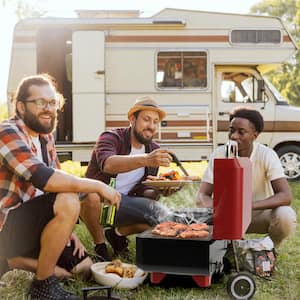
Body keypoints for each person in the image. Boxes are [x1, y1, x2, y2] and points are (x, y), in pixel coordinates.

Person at [0, 74, 120, 300]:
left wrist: (67, 230)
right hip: (7, 226)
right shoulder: (7, 132)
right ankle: (42, 287)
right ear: (21, 107)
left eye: (53, 102)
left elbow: (58, 178)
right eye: (40, 102)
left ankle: (10, 261)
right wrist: (98, 186)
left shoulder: (46, 137)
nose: (48, 108)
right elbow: (45, 178)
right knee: (67, 198)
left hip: (33, 223)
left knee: (83, 269)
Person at [81, 96, 174, 260]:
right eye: (146, 119)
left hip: (122, 203)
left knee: (158, 218)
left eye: (155, 122)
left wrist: (160, 190)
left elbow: (144, 191)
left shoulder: (153, 149)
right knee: (91, 194)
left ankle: (116, 234)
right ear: (132, 119)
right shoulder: (111, 137)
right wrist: (145, 159)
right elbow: (107, 164)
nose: (151, 126)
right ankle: (100, 247)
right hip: (98, 200)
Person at [196, 107, 297, 248]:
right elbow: (202, 195)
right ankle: (229, 247)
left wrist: (246, 206)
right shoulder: (219, 154)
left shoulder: (267, 154)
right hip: (227, 215)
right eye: (231, 130)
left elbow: (285, 196)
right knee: (198, 218)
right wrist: (221, 208)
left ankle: (271, 249)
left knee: (285, 215)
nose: (234, 136)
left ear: (255, 135)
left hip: (258, 214)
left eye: (241, 132)